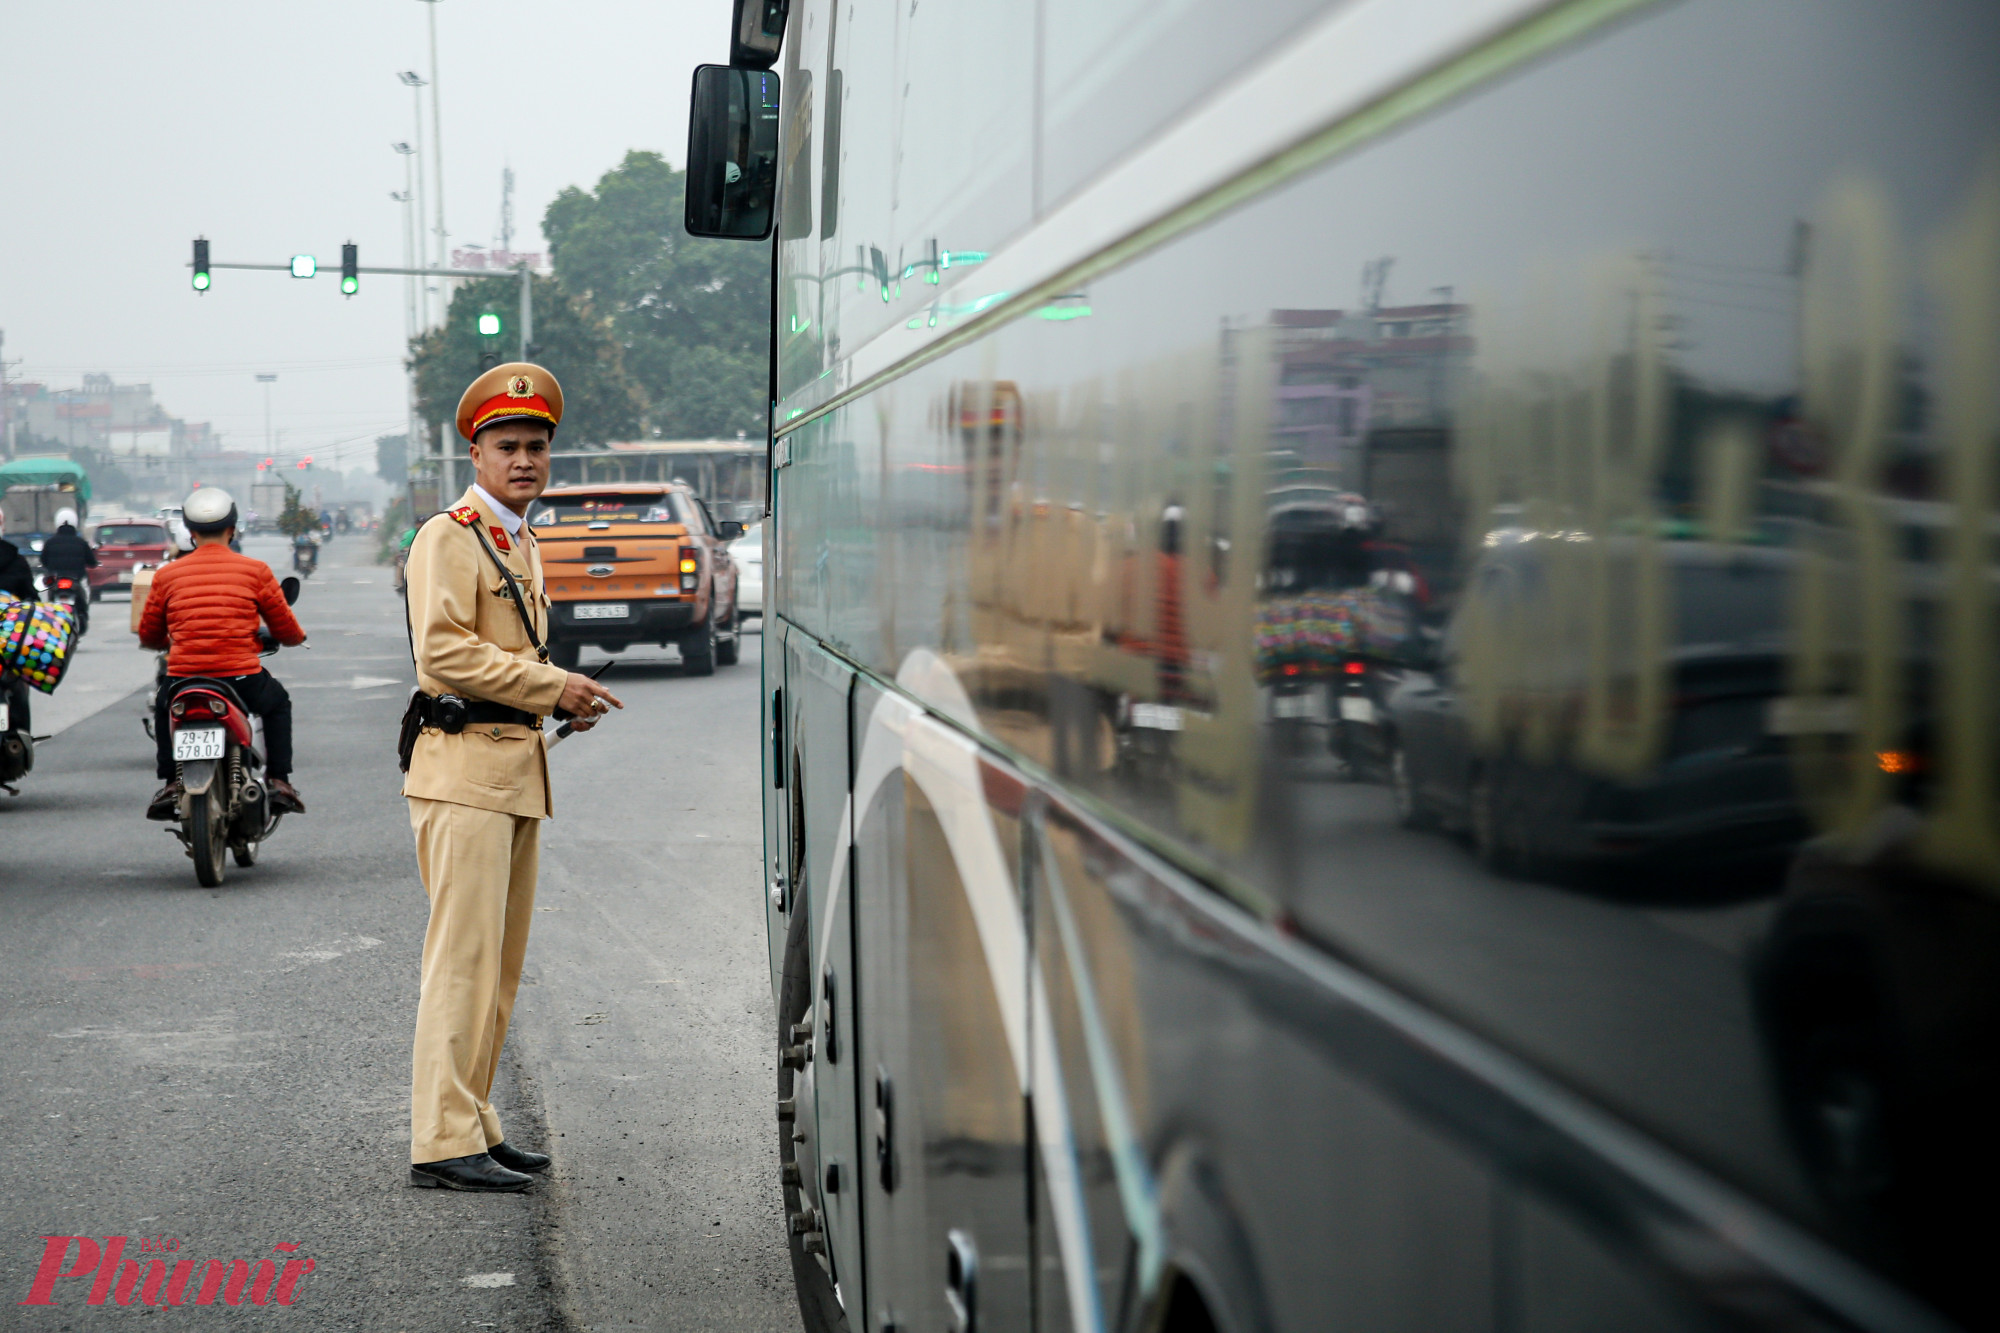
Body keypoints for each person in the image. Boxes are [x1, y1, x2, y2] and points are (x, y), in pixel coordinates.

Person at [402, 362, 621, 1192]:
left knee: (497, 966)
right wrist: (548, 685)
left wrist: (561, 701)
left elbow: (510, 655)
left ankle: (474, 1122)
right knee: (461, 961)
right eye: (508, 446)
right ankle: (441, 1140)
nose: (524, 459)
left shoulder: (517, 539)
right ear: (476, 453)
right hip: (461, 771)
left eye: (537, 446)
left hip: (511, 766)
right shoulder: (448, 536)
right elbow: (442, 652)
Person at [138, 488, 308, 818]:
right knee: (277, 703)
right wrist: (295, 637)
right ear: (232, 529)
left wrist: (166, 641)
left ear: (191, 532)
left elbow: (149, 634)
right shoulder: (255, 571)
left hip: (183, 679)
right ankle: (279, 781)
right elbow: (286, 630)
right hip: (241, 678)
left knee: (163, 706)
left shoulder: (166, 575)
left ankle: (171, 783)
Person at [38, 514, 98, 632]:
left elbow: (43, 560)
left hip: (56, 579)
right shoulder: (81, 542)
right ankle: (83, 614)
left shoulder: (50, 542)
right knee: (85, 594)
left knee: (50, 600)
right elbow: (91, 561)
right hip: (76, 579)